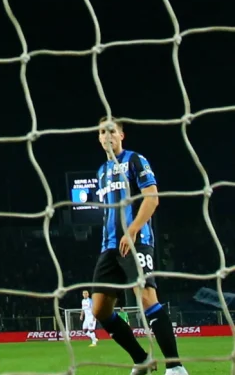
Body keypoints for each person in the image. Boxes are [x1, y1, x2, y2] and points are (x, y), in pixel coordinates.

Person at [89, 117, 186, 375]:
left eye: (111, 131)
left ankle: (176, 367)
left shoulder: (135, 160)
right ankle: (141, 358)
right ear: (98, 137)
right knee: (99, 309)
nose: (106, 136)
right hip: (109, 247)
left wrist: (131, 231)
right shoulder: (101, 171)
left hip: (136, 242)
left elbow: (151, 198)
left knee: (145, 297)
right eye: (101, 132)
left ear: (121, 135)